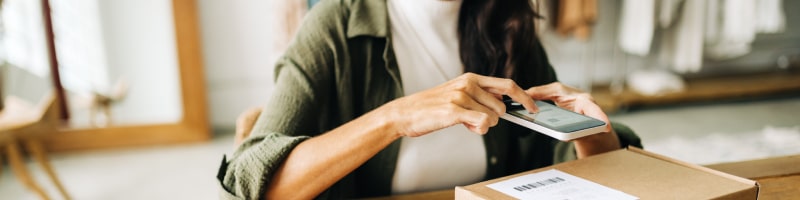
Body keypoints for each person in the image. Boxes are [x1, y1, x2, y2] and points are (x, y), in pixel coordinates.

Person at [216, 0, 642, 199]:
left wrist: (591, 134)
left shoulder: (507, 22)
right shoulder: (335, 23)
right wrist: (395, 117)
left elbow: (610, 165)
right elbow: (247, 183)